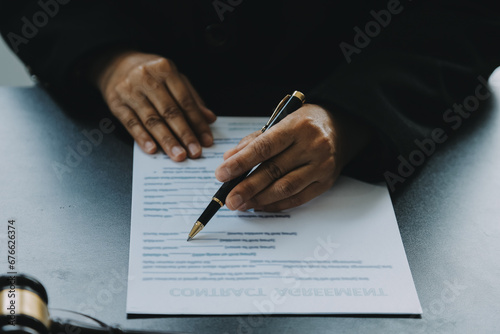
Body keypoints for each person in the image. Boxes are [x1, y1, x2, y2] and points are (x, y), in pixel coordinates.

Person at [1, 0, 499, 211]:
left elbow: (468, 15)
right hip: (103, 150)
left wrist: (355, 114)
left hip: (380, 141)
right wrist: (104, 55)